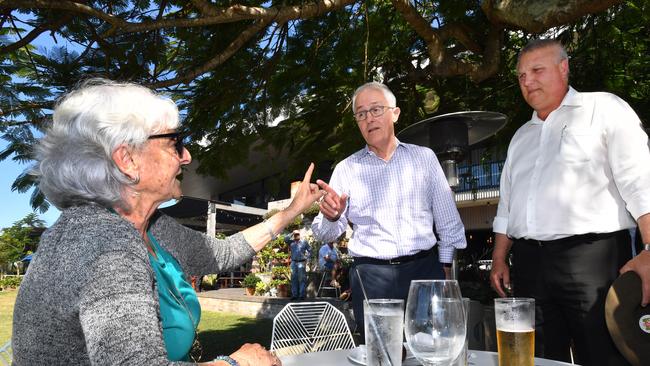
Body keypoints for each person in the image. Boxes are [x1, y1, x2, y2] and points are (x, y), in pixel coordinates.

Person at [11, 79, 324, 366]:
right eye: (175, 143)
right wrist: (237, 363)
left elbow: (222, 253)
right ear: (127, 160)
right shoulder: (103, 245)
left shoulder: (150, 225)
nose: (186, 156)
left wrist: (292, 210)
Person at [489, 39, 650, 366]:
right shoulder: (521, 137)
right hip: (530, 263)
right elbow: (507, 205)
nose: (528, 81)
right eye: (521, 76)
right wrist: (498, 258)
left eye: (537, 70)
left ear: (564, 68)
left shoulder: (603, 108)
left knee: (604, 353)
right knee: (540, 358)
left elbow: (639, 183)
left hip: (592, 258)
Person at [311, 81, 467, 337]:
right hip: (371, 275)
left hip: (424, 271)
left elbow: (447, 219)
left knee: (430, 349)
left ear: (395, 113)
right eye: (361, 114)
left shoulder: (424, 158)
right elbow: (326, 233)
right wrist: (332, 216)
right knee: (379, 353)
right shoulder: (346, 169)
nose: (369, 119)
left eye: (376, 109)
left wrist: (445, 268)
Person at [284, 230, 311, 300]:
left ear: (300, 234)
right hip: (293, 262)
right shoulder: (291, 242)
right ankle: (294, 295)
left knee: (302, 279)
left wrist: (307, 258)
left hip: (301, 262)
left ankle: (302, 295)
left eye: (297, 234)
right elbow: (285, 239)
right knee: (293, 279)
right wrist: (292, 232)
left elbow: (310, 250)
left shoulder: (304, 242)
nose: (296, 235)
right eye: (295, 234)